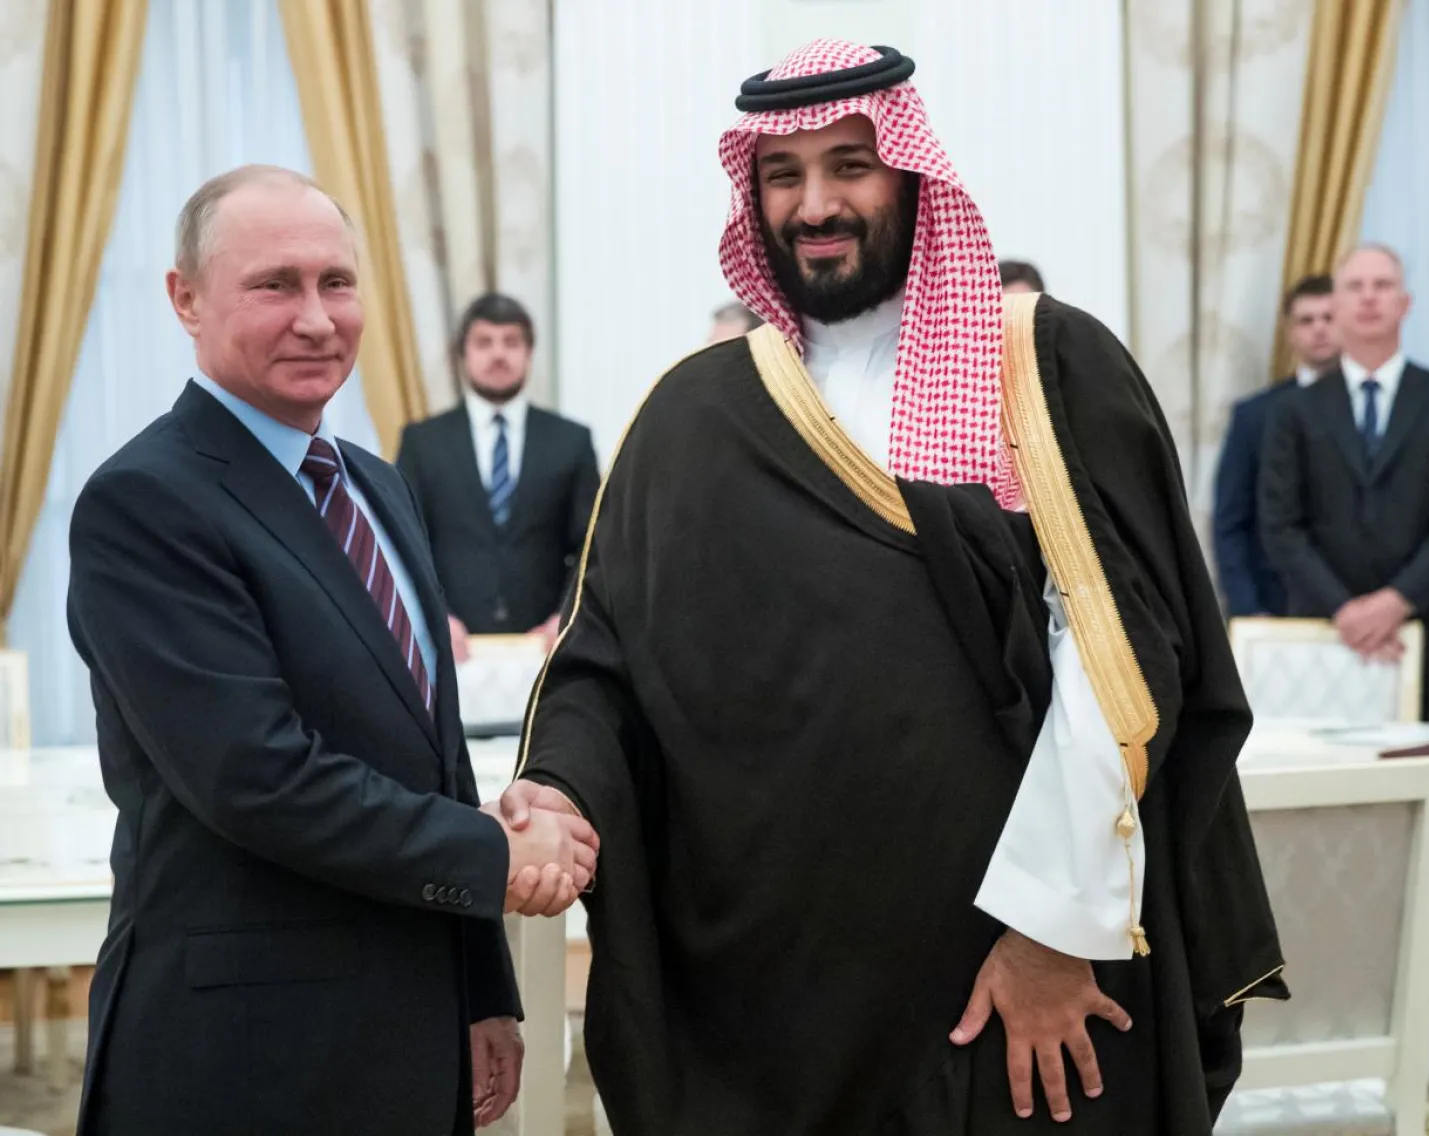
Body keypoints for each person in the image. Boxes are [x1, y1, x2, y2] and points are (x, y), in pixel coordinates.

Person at [502, 41, 1284, 1135]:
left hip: (1010, 988)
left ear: (913, 174)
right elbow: (607, 662)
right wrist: (563, 792)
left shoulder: (1045, 367)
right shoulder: (693, 415)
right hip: (775, 1004)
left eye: (849, 165)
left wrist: (1055, 930)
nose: (816, 203)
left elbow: (1117, 655)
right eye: (784, 175)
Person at [66, 165, 597, 1136]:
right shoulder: (144, 501)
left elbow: (431, 755)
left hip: (407, 1031)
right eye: (276, 284)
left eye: (337, 282)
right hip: (245, 1057)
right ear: (184, 297)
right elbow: (255, 774)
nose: (317, 317)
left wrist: (482, 988)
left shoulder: (375, 485)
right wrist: (495, 852)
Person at [1261, 243, 1429, 723]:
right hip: (1324, 638)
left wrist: (1395, 602)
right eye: (1355, 287)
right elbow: (1280, 524)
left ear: (1404, 303)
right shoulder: (1292, 412)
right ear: (1336, 304)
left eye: (1383, 286)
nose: (1369, 298)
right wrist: (1346, 611)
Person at [397, 293, 599, 657]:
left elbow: (592, 545)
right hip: (449, 648)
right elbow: (404, 541)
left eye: (511, 342)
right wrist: (433, 613)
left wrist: (567, 616)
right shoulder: (422, 442)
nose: (498, 354)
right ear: (463, 355)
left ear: (529, 353)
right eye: (484, 342)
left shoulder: (571, 441)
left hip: (546, 649)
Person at [1213, 273, 1338, 616]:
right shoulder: (1255, 415)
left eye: (1330, 318)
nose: (1320, 329)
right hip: (1275, 605)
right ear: (1290, 333)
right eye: (1307, 320)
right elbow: (1230, 521)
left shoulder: (1372, 407)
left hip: (1362, 609)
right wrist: (1247, 608)